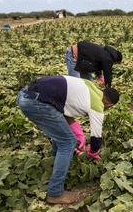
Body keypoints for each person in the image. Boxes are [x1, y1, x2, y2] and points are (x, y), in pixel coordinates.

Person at [17, 75, 119, 204]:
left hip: (25, 94)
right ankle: (55, 193)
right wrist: (93, 152)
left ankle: (56, 160)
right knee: (68, 142)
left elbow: (63, 106)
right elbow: (96, 138)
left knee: (63, 135)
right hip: (37, 102)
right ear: (109, 104)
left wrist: (79, 133)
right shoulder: (98, 105)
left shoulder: (89, 85)